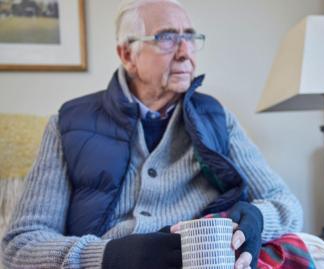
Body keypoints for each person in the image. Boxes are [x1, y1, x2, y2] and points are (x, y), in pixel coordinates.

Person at [1, 0, 303, 268]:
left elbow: (286, 203)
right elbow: (20, 246)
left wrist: (258, 218)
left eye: (191, 37)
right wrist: (109, 256)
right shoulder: (68, 123)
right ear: (126, 54)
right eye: (167, 38)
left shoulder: (217, 118)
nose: (186, 53)